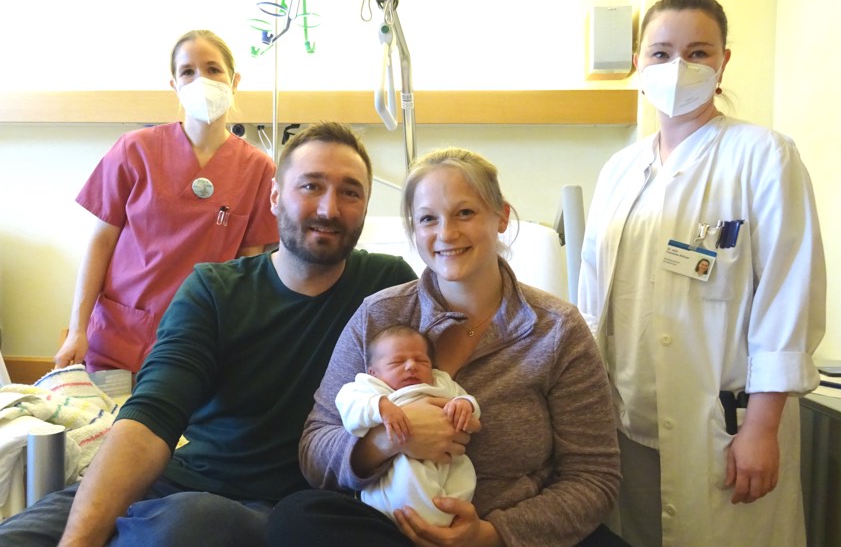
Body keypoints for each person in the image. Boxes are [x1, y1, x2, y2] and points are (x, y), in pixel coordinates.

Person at [0, 122, 417, 547]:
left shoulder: (387, 289)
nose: (329, 209)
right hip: (178, 481)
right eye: (311, 186)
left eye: (350, 192)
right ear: (275, 197)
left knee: (187, 526)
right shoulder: (214, 290)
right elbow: (152, 415)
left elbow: (456, 355)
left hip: (283, 511)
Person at [269, 148, 628, 547]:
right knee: (296, 518)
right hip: (391, 530)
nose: (446, 234)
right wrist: (389, 440)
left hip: (508, 532)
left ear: (502, 217)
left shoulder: (556, 329)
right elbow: (315, 448)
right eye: (428, 219)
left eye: (465, 213)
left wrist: (493, 535)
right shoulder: (379, 314)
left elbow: (594, 477)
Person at [577, 0, 826, 547]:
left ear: (722, 62)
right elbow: (594, 300)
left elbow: (788, 296)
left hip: (725, 426)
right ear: (639, 63)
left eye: (697, 52)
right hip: (627, 422)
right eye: (661, 53)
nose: (678, 67)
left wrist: (762, 428)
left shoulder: (764, 155)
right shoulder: (620, 170)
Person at [55, 29, 278, 374]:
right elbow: (101, 243)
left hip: (202, 339)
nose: (202, 80)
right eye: (188, 71)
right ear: (175, 85)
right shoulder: (134, 150)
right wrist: (77, 331)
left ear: (234, 81)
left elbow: (250, 269)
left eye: (213, 69)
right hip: (121, 334)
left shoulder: (258, 169)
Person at [336, 324, 480, 527]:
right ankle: (423, 523)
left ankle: (444, 521)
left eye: (422, 361)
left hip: (445, 460)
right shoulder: (371, 386)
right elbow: (347, 402)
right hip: (396, 462)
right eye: (397, 362)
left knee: (462, 478)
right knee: (404, 482)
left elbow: (467, 401)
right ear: (373, 372)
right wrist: (380, 406)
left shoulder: (440, 382)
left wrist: (464, 405)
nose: (411, 366)